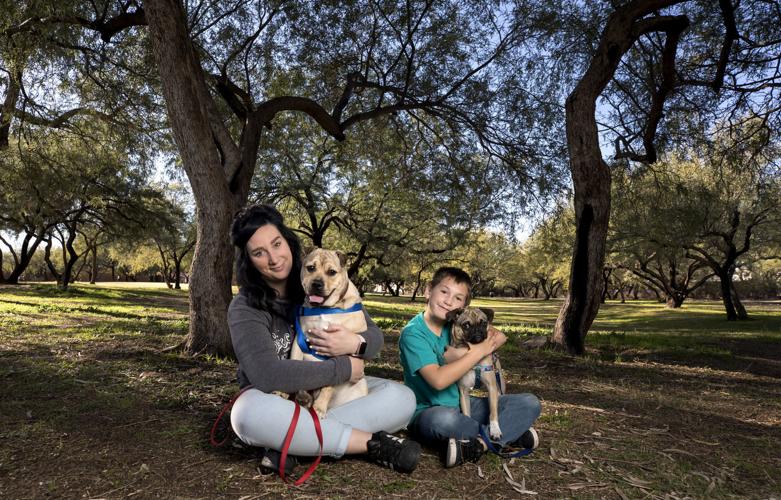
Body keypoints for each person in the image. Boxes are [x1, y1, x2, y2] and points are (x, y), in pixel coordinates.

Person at [228, 204, 421, 474]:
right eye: (259, 253)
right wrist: (342, 368)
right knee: (246, 414)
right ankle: (368, 443)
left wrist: (355, 344)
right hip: (275, 398)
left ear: (288, 240)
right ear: (249, 261)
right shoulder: (245, 307)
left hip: (328, 396)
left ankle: (294, 443)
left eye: (276, 243)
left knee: (402, 397)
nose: (274, 258)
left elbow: (374, 339)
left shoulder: (326, 285)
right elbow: (266, 375)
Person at [399, 267, 542, 468]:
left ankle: (480, 444)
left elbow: (500, 336)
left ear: (464, 306)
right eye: (444, 292)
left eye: (458, 298)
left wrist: (463, 353)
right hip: (429, 411)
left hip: (464, 405)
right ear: (428, 290)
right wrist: (476, 352)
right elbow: (438, 381)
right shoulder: (413, 334)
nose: (449, 301)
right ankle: (510, 434)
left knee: (530, 402)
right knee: (444, 421)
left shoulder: (461, 320)